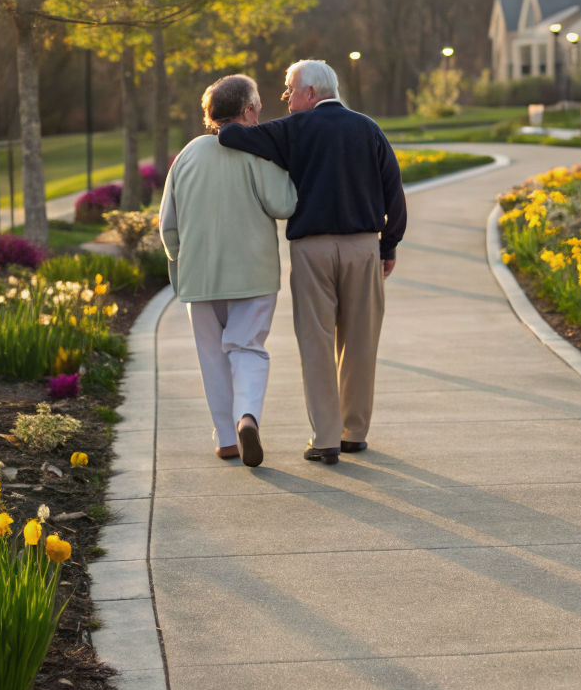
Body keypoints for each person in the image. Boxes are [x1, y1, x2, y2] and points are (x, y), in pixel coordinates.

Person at [217, 59, 405, 465]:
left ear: (310, 93)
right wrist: (387, 246)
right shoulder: (368, 128)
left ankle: (325, 439)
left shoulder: (290, 130)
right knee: (360, 342)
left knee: (316, 344)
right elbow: (394, 189)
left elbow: (231, 135)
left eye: (288, 90)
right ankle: (354, 433)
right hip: (362, 248)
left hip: (311, 250)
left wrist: (239, 118)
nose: (285, 99)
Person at [158, 75, 297, 467]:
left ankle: (225, 440)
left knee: (211, 357)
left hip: (199, 279)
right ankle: (247, 416)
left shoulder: (186, 156)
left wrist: (179, 266)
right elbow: (285, 203)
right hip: (252, 274)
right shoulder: (256, 152)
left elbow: (168, 224)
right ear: (248, 111)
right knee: (247, 347)